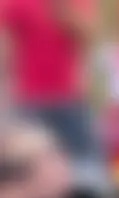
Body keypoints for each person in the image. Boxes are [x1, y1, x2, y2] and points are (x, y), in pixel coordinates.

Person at [0, 0, 97, 163]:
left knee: (81, 161)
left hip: (69, 97)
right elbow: (6, 44)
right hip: (30, 99)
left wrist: (63, 9)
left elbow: (87, 36)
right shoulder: (16, 3)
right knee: (29, 164)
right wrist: (5, 89)